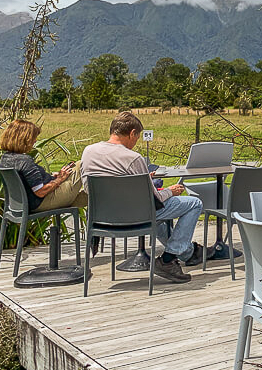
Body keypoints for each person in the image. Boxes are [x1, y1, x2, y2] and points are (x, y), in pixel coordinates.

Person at [80, 112, 204, 282]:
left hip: (102, 217)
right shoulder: (133, 158)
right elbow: (155, 198)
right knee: (194, 203)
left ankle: (186, 252)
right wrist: (171, 190)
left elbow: (90, 186)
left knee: (160, 219)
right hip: (136, 217)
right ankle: (168, 260)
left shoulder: (88, 151)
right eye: (137, 137)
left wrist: (145, 179)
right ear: (132, 133)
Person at [0, 119, 88, 212]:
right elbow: (40, 192)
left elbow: (28, 181)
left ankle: (93, 196)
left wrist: (53, 176)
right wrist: (59, 179)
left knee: (90, 195)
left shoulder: (5, 159)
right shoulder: (25, 161)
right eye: (33, 137)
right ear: (23, 139)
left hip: (26, 204)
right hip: (42, 202)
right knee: (81, 164)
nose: (35, 140)